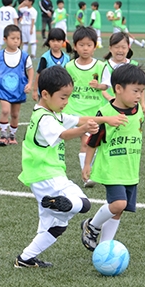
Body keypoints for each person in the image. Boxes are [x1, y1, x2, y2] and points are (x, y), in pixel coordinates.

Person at [14, 65, 127, 268]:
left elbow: (80, 118)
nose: (66, 102)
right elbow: (65, 134)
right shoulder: (45, 119)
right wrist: (83, 129)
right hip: (46, 175)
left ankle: (25, 259)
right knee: (84, 204)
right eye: (63, 97)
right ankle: (56, 201)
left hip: (44, 176)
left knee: (56, 227)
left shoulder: (52, 112)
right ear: (46, 94)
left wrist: (106, 120)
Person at [80, 63, 145, 250]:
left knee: (118, 210)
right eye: (135, 91)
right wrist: (87, 164)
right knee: (118, 203)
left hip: (130, 168)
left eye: (141, 91)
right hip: (111, 168)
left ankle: (104, 247)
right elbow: (92, 141)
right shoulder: (106, 114)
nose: (139, 96)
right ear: (118, 89)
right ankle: (92, 225)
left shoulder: (139, 110)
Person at [64, 27, 108, 187]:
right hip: (73, 111)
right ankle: (86, 176)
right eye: (81, 45)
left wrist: (99, 86)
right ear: (75, 46)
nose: (85, 48)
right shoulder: (69, 66)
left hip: (94, 111)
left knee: (92, 143)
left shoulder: (101, 66)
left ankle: (90, 172)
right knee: (83, 142)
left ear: (94, 46)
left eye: (89, 45)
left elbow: (106, 85)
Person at [0, 25, 33, 146]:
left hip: (19, 89)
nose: (16, 41)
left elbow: (30, 70)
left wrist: (29, 83)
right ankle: (3, 134)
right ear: (5, 39)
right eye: (13, 38)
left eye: (18, 38)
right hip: (3, 90)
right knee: (5, 110)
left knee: (15, 114)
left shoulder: (24, 56)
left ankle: (12, 135)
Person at [101, 32, 145, 113]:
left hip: (130, 108)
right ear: (110, 48)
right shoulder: (103, 66)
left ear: (128, 48)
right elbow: (100, 88)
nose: (120, 50)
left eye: (123, 47)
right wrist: (110, 98)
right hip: (108, 107)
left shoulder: (134, 65)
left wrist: (143, 103)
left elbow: (140, 86)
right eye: (116, 47)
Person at [32, 28, 72, 101]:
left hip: (61, 91)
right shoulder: (45, 57)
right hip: (46, 91)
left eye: (58, 41)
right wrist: (35, 91)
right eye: (53, 41)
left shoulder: (67, 58)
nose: (55, 43)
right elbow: (39, 74)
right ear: (49, 42)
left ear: (63, 42)